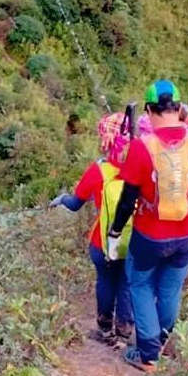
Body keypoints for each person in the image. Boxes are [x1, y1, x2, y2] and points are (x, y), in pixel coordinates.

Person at [107, 80, 188, 371]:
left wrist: (115, 231)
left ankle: (148, 355)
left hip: (149, 235)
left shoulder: (142, 147)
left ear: (149, 111)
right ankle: (162, 343)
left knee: (140, 284)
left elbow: (127, 199)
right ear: (179, 109)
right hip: (186, 235)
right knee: (170, 289)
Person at [50, 111, 134, 345]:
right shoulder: (143, 166)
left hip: (103, 240)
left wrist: (61, 199)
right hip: (135, 239)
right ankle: (124, 334)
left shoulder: (99, 170)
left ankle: (105, 329)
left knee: (106, 281)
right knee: (127, 283)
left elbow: (75, 203)